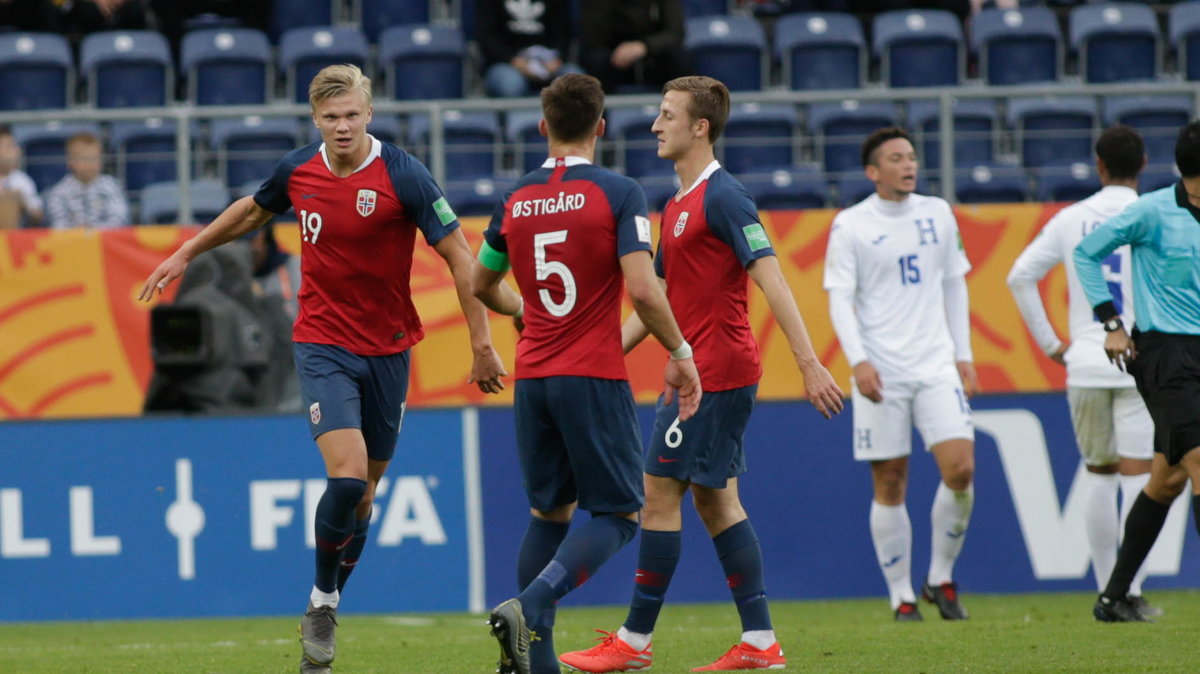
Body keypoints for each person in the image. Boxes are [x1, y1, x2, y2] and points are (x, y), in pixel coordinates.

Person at [138, 64, 507, 672]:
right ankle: (321, 602)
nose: (342, 127)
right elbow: (254, 211)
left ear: (369, 114)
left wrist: (482, 344)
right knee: (346, 478)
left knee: (364, 500)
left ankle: (327, 598)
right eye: (331, 117)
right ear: (316, 118)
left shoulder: (403, 174)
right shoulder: (299, 170)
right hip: (321, 344)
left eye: (352, 115)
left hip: (389, 349)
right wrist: (186, 251)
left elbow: (460, 257)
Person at [559, 75, 843, 673]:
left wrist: (809, 361)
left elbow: (771, 277)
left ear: (699, 127)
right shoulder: (678, 202)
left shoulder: (725, 196)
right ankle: (761, 643)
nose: (656, 125)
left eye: (667, 115)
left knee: (658, 493)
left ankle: (634, 643)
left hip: (717, 370)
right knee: (717, 502)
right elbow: (657, 295)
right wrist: (603, 351)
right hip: (697, 369)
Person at [471, 72, 702, 674]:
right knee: (622, 512)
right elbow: (646, 292)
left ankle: (535, 664)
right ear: (600, 126)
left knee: (549, 514)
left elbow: (480, 284)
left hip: (535, 378)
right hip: (591, 373)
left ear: (543, 127)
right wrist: (680, 352)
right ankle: (530, 604)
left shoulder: (517, 197)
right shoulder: (618, 193)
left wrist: (523, 310)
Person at [822, 126, 978, 622]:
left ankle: (940, 576)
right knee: (890, 483)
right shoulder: (851, 225)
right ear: (874, 172)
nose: (909, 165)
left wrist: (964, 354)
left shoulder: (938, 213)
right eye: (896, 158)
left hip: (935, 365)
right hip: (881, 370)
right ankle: (901, 595)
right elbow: (839, 299)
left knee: (961, 470)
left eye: (911, 157)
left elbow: (955, 284)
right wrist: (858, 360)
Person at [1007, 125, 1161, 616]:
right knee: (1140, 474)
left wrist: (1052, 343)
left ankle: (1105, 590)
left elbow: (1020, 276)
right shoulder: (1155, 213)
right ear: (1143, 166)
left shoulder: (1070, 219)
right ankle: (1130, 590)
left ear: (1099, 166)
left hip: (1088, 361)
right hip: (1141, 358)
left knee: (1099, 473)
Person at [1074, 121, 1200, 623]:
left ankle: (1113, 597)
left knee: (1165, 480)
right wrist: (1111, 323)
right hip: (1166, 356)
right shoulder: (1150, 211)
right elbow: (1087, 254)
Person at [476, 0, 582, 98]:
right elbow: (486, 39)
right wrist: (514, 61)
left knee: (577, 82)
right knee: (510, 83)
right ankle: (520, 119)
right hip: (506, 63)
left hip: (550, 62)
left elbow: (564, 36)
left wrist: (558, 60)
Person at [579, 0, 688, 94]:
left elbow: (676, 33)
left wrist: (644, 46)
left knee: (679, 58)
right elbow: (593, 37)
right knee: (596, 60)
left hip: (653, 56)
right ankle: (601, 115)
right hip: (613, 56)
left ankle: (683, 112)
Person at [45, 132, 130, 230]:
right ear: (70, 162)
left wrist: (92, 231)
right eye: (85, 159)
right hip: (71, 242)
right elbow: (58, 224)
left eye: (95, 158)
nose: (91, 164)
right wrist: (78, 232)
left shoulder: (111, 186)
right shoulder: (59, 192)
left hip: (105, 241)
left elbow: (119, 218)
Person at [0, 127, 44, 229]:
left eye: (14, 146)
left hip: (14, 237)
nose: (16, 151)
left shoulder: (22, 180)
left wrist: (23, 203)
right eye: (8, 147)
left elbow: (38, 215)